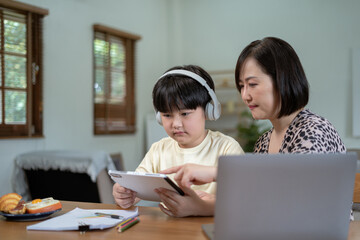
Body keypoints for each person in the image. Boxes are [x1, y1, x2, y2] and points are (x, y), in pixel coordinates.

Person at [159, 36, 347, 213]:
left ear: (282, 81)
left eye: (253, 84)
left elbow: (295, 196)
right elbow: (257, 204)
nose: (245, 95)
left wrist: (216, 173)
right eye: (242, 86)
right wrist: (201, 205)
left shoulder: (314, 130)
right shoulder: (264, 142)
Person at [112, 65, 244, 217]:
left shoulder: (227, 148)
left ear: (209, 110)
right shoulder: (159, 149)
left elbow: (242, 200)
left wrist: (201, 206)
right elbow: (136, 186)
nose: (176, 124)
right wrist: (125, 193)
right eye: (167, 115)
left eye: (185, 113)